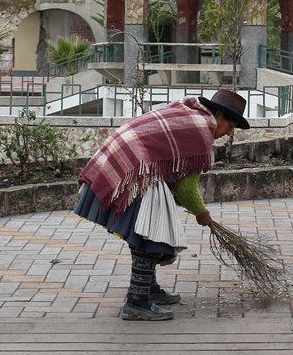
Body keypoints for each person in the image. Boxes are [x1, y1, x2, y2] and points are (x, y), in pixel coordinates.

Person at [73, 89, 250, 321]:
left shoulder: (190, 113)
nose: (229, 133)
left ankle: (148, 289)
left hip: (127, 163)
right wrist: (201, 213)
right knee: (152, 235)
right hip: (133, 171)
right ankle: (137, 301)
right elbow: (186, 189)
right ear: (219, 116)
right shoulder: (201, 131)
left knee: (148, 229)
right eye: (231, 126)